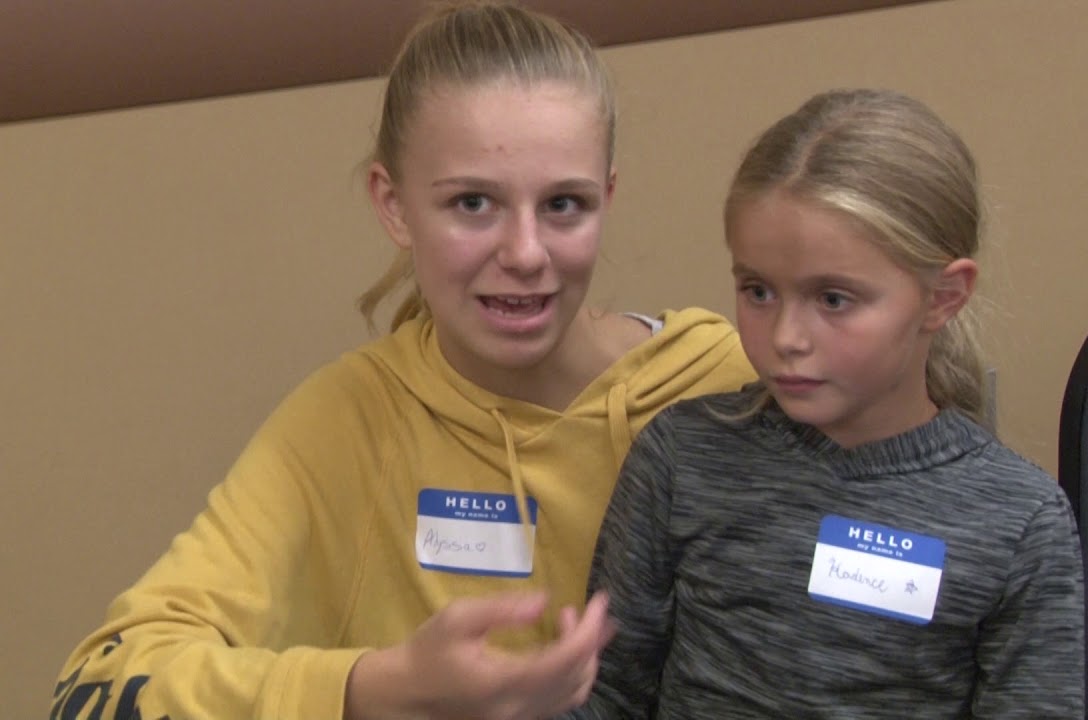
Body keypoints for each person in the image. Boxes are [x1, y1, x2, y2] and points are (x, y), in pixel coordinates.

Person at [49, 3, 756, 719]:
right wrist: (380, 688)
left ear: (607, 197)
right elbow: (93, 690)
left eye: (563, 205)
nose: (525, 253)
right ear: (394, 206)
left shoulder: (731, 386)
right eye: (473, 203)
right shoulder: (348, 423)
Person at [567, 89, 1085, 718]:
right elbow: (608, 694)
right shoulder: (681, 457)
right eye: (758, 291)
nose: (787, 337)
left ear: (943, 297)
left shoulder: (1020, 522)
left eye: (834, 299)